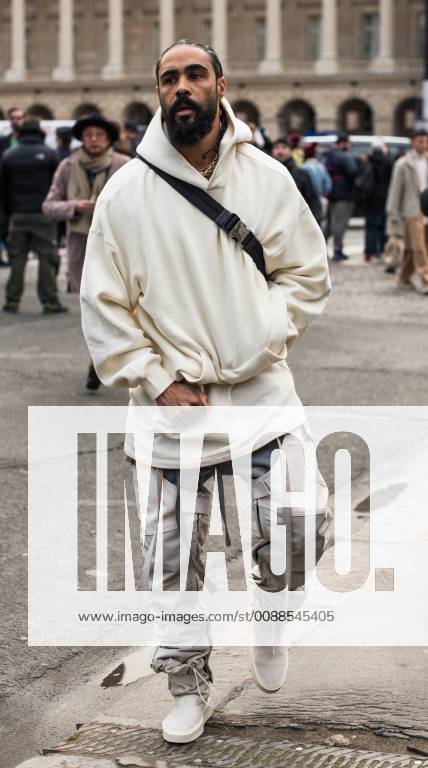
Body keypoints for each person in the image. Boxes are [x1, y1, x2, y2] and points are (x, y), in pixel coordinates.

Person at [80, 40, 331, 744]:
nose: (182, 87)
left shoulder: (267, 178)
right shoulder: (125, 193)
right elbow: (102, 305)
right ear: (157, 93)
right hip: (170, 411)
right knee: (172, 559)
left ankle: (273, 619)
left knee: (301, 524)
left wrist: (262, 334)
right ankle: (187, 683)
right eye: (169, 79)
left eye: (195, 75)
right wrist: (156, 380)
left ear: (221, 84)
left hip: (260, 397)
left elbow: (307, 274)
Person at [42, 113, 129, 387]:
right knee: (91, 306)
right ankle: (98, 358)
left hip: (118, 244)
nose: (94, 140)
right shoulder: (68, 166)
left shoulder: (124, 166)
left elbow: (138, 206)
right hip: (80, 243)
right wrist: (74, 207)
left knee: (122, 304)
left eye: (100, 135)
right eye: (89, 135)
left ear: (109, 139)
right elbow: (49, 205)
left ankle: (109, 358)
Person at [0, 120, 66, 314]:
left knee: (17, 258)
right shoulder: (49, 153)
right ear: (40, 133)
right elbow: (58, 186)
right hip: (43, 215)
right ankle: (49, 301)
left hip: (18, 214)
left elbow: (2, 188)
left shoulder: (9, 155)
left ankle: (12, 301)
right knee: (46, 256)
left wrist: (7, 213)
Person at [386, 129, 428, 293]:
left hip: (427, 208)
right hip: (412, 211)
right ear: (412, 142)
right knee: (418, 248)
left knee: (419, 247)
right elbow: (395, 192)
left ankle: (403, 277)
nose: (424, 144)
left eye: (426, 141)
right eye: (420, 141)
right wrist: (393, 216)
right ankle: (425, 279)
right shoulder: (403, 164)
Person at [323, 131, 359, 261]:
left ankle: (321, 248)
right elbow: (353, 171)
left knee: (329, 224)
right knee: (340, 224)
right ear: (343, 143)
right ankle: (338, 250)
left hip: (331, 193)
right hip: (344, 194)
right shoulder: (343, 156)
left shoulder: (328, 155)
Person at [272, 138, 322, 223]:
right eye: (277, 148)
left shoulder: (301, 174)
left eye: (284, 148)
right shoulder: (267, 173)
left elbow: (312, 200)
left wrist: (316, 220)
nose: (280, 151)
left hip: (296, 222)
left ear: (290, 151)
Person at [359, 143, 392, 263]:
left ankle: (369, 253)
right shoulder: (388, 162)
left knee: (370, 226)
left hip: (370, 198)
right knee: (383, 226)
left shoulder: (368, 162)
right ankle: (381, 251)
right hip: (384, 198)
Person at [302, 143, 332, 227]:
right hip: (321, 199)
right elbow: (328, 184)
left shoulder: (303, 168)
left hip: (307, 201)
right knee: (321, 225)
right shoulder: (321, 167)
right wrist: (323, 194)